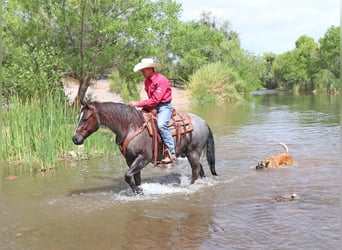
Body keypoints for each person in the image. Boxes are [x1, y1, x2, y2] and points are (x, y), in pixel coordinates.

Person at [129, 58, 176, 163]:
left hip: (164, 106)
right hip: (154, 106)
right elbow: (152, 99)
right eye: (142, 70)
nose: (142, 72)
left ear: (151, 69)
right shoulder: (147, 82)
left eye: (144, 70)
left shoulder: (161, 80)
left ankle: (171, 153)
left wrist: (137, 103)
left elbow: (155, 99)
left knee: (161, 125)